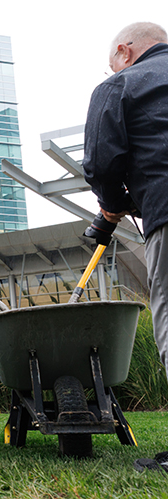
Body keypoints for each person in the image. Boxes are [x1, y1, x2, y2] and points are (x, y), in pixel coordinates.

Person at [84, 23, 168, 378]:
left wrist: (113, 204)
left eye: (113, 63)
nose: (113, 71)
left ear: (124, 51)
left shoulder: (122, 83)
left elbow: (102, 161)